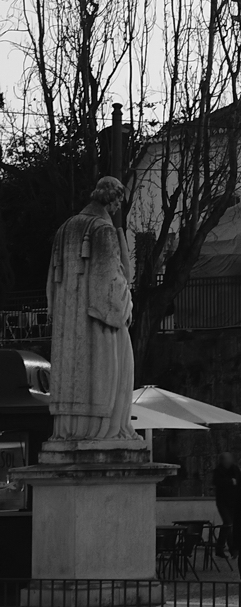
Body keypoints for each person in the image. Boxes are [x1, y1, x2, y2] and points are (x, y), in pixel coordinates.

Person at [46, 177, 142, 444]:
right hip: (99, 326)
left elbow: (51, 286)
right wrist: (127, 304)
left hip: (69, 326)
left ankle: (72, 428)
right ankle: (108, 429)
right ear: (112, 199)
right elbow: (109, 287)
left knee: (74, 374)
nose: (118, 207)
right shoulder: (103, 230)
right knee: (115, 371)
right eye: (119, 201)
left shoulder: (64, 230)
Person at [213, 451, 241, 558]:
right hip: (223, 502)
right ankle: (228, 548)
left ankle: (226, 548)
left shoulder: (234, 469)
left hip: (234, 501)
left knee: (231, 525)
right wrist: (231, 482)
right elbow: (217, 482)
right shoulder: (218, 471)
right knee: (228, 523)